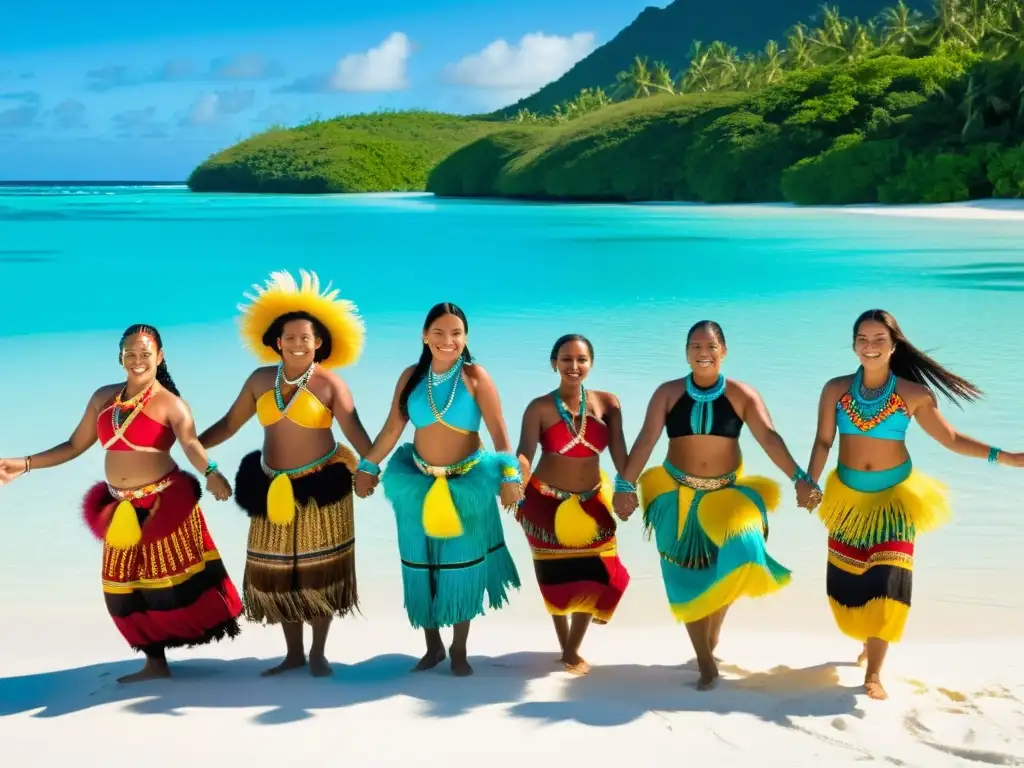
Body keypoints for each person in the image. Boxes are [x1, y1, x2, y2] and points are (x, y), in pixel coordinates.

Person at [0, 324, 242, 683]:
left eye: (146, 353)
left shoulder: (172, 404)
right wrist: (26, 463)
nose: (138, 360)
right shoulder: (103, 398)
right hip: (119, 508)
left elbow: (191, 444)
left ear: (160, 357)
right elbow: (73, 446)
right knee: (123, 590)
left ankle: (173, 653)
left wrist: (212, 472)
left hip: (162, 504)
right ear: (120, 357)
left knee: (168, 586)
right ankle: (154, 662)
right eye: (130, 353)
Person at [801, 308, 1023, 701]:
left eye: (879, 340)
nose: (870, 346)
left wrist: (1003, 456)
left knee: (888, 582)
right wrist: (810, 481)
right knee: (851, 585)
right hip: (847, 500)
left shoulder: (914, 393)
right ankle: (869, 644)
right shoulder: (835, 389)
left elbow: (951, 439)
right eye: (863, 339)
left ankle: (874, 673)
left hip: (896, 500)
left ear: (893, 345)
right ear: (853, 345)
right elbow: (823, 441)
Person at [612, 320, 817, 691]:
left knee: (743, 554)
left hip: (727, 493)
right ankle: (706, 664)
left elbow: (769, 438)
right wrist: (624, 484)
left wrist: (800, 477)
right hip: (676, 493)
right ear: (686, 352)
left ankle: (715, 629)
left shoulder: (742, 394)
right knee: (684, 576)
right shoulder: (667, 393)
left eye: (710, 346)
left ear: (724, 350)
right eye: (695, 346)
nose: (702, 353)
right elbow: (645, 440)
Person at [198, 270, 372, 678]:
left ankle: (318, 654)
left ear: (320, 343)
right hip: (270, 483)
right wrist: (192, 447)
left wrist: (374, 468)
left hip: (323, 484)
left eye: (306, 338)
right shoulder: (260, 380)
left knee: (318, 571)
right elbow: (228, 424)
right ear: (277, 341)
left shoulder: (331, 384)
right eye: (290, 337)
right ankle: (293, 653)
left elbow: (357, 433)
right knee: (278, 574)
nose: (297, 344)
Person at [354, 302, 522, 677]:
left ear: (466, 337)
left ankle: (459, 650)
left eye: (457, 333)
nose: (449, 341)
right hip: (418, 482)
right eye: (440, 333)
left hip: (466, 482)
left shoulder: (476, 376)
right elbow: (392, 429)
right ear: (425, 336)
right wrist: (367, 466)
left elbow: (500, 434)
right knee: (420, 565)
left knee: (461, 568)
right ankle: (432, 647)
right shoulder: (412, 377)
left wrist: (511, 478)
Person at [514, 334, 630, 675]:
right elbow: (525, 453)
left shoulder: (609, 403)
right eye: (566, 359)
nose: (574, 366)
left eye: (581, 359)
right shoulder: (539, 407)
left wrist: (627, 487)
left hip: (592, 500)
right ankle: (567, 646)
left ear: (591, 364)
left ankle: (571, 648)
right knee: (556, 577)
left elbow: (621, 454)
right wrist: (513, 482)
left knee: (600, 574)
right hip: (543, 503)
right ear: (554, 363)